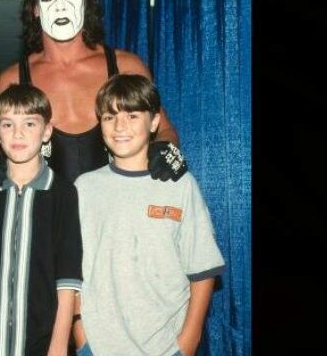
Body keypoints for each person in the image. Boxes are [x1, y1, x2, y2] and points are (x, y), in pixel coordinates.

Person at [0, 0, 187, 187]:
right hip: (44, 214)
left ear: (86, 3)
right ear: (35, 8)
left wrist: (166, 149)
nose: (61, 6)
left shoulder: (126, 67)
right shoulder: (11, 80)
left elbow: (164, 128)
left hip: (112, 211)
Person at [73, 75, 225, 356]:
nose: (120, 126)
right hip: (97, 346)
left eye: (132, 115)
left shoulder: (180, 184)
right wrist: (81, 334)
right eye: (109, 117)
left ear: (154, 122)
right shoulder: (84, 187)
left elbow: (202, 269)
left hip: (165, 347)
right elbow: (72, 269)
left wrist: (188, 341)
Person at [0, 84, 83, 356]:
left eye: (29, 123)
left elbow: (67, 279)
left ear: (46, 132)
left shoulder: (63, 193)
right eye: (7, 124)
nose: (18, 133)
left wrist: (58, 345)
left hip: (41, 342)